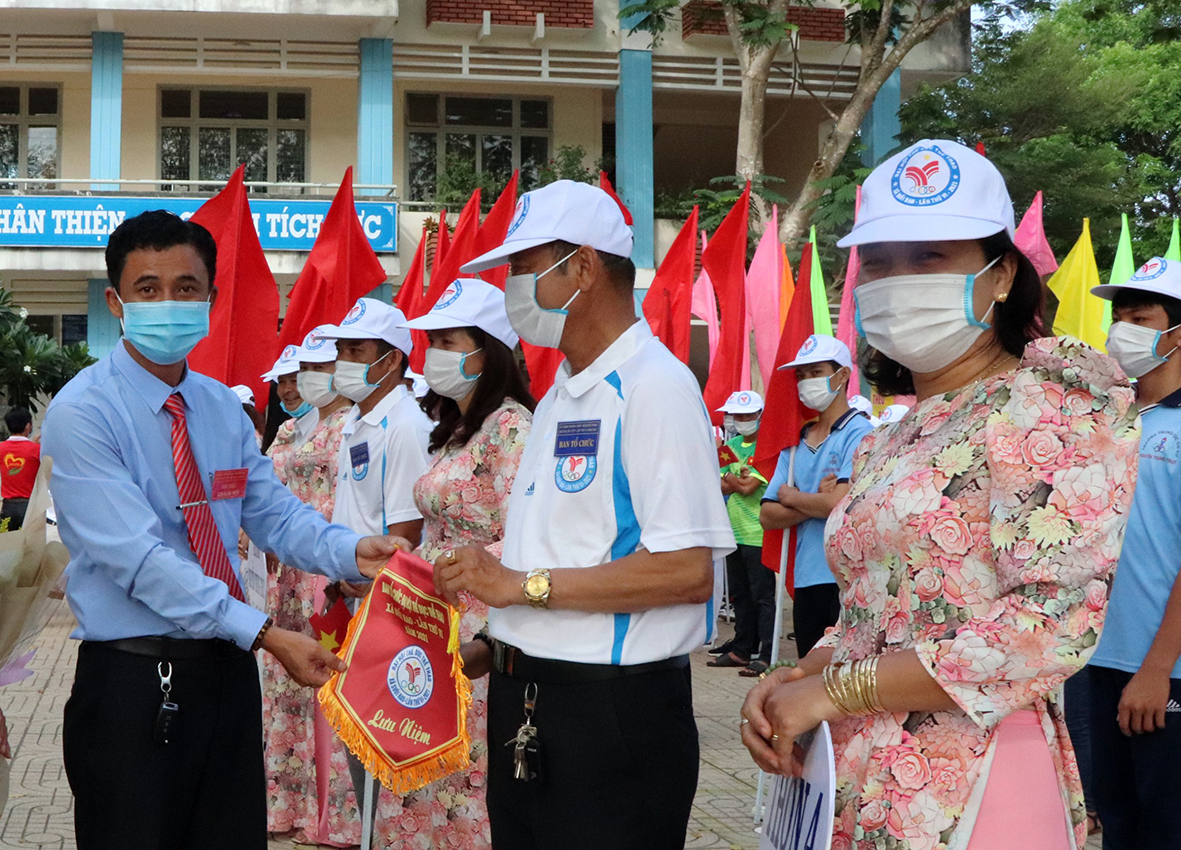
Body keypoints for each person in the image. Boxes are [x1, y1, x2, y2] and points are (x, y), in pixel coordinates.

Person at [739, 140, 1140, 850]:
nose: (897, 280)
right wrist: (795, 677)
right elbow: (877, 610)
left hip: (974, 775)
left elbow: (1048, 627)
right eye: (881, 262)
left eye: (928, 257)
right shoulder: (892, 434)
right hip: (860, 774)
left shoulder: (1048, 403)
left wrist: (834, 691)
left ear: (1000, 274)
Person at [39, 210, 401, 850]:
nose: (168, 303)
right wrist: (266, 634)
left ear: (210, 297)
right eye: (148, 289)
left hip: (227, 681)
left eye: (186, 288)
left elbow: (274, 514)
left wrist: (351, 550)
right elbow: (141, 561)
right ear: (117, 301)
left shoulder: (218, 408)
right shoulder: (82, 413)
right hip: (132, 684)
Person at [433, 180, 734, 850]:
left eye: (521, 267)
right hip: (529, 699)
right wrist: (493, 646)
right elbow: (573, 547)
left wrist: (518, 586)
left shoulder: (653, 388)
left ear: (583, 267)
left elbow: (687, 572)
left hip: (610, 716)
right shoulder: (564, 396)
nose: (511, 288)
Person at [366, 278, 535, 849]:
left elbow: (524, 536)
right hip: (427, 622)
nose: (433, 352)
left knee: (465, 780)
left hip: (478, 631)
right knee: (419, 770)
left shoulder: (512, 427)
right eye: (431, 339)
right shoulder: (453, 432)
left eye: (447, 339)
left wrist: (478, 611)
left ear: (487, 350)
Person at [315, 297, 433, 805]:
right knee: (355, 734)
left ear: (391, 360)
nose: (343, 361)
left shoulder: (404, 424)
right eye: (340, 349)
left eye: (355, 350)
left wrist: (372, 579)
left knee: (381, 736)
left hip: (383, 604)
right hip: (351, 596)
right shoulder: (355, 421)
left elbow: (408, 526)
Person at [1086, 256, 1181, 849]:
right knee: (1116, 823)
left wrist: (1156, 670)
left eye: (1139, 317)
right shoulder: (1108, 420)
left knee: (1165, 829)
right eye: (1117, 317)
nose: (1122, 329)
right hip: (1096, 660)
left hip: (1163, 671)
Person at [262, 327, 361, 846]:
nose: (301, 382)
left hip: (327, 567)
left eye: (313, 370)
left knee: (328, 683)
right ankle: (290, 803)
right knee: (286, 685)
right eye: (299, 373)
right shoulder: (291, 431)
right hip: (286, 573)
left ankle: (337, 815)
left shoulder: (351, 425)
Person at [760, 335, 874, 658]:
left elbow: (837, 503)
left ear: (841, 376)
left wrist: (793, 497)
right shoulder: (795, 444)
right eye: (801, 375)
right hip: (805, 579)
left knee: (841, 679)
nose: (806, 382)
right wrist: (815, 500)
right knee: (808, 675)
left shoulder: (859, 432)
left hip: (844, 578)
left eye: (815, 372)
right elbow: (768, 515)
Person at [708, 391, 774, 675]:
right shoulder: (730, 445)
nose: (742, 420)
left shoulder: (767, 446)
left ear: (760, 415)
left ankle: (767, 654)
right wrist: (735, 478)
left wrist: (728, 477)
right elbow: (719, 484)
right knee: (740, 596)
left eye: (748, 415)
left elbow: (747, 488)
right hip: (733, 531)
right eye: (737, 416)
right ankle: (742, 649)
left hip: (757, 532)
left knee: (762, 597)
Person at [0, 407, 40, 530]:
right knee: (30, 546)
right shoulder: (37, 450)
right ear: (28, 426)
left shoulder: (1, 448)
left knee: (9, 545)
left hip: (7, 506)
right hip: (30, 506)